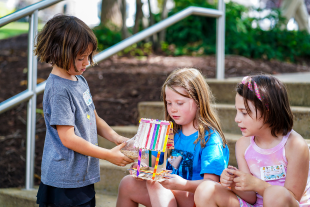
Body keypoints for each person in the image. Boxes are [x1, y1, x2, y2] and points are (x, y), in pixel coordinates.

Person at [34, 14, 133, 207]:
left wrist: (117, 138)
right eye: (81, 58)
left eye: (88, 56)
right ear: (57, 53)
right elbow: (68, 138)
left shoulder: (79, 80)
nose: (87, 62)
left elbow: (93, 118)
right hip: (64, 182)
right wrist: (107, 155)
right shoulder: (59, 90)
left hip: (82, 176)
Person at [116, 68, 229, 207]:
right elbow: (165, 165)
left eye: (179, 103)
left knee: (156, 184)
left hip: (196, 199)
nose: (172, 109)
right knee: (127, 183)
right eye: (169, 103)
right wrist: (144, 170)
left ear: (198, 101)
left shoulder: (210, 139)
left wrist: (183, 184)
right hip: (169, 194)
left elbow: (212, 185)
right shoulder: (170, 133)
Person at [194, 75, 310, 207]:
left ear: (268, 111)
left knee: (276, 194)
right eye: (237, 111)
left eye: (244, 112)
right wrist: (235, 183)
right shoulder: (243, 145)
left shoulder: (294, 145)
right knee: (206, 190)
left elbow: (292, 198)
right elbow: (251, 198)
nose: (237, 119)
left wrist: (256, 184)